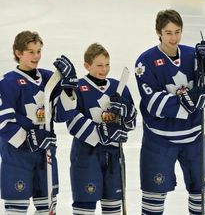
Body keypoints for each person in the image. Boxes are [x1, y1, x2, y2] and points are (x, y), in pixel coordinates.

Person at [134, 9, 205, 214]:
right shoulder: (145, 62)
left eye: (177, 31)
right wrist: (190, 100)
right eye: (168, 32)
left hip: (194, 138)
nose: (174, 37)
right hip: (159, 141)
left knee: (202, 196)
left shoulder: (193, 55)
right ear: (159, 33)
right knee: (153, 201)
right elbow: (153, 103)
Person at [0, 30, 78, 214]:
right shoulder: (7, 82)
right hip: (17, 157)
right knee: (16, 210)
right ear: (18, 53)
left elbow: (61, 115)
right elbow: (3, 122)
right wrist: (29, 138)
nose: (36, 56)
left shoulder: (49, 78)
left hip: (46, 155)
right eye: (31, 52)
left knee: (47, 209)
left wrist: (68, 89)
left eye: (39, 51)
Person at [66, 43, 137, 214]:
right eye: (99, 65)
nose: (104, 69)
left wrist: (126, 113)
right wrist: (102, 132)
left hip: (114, 155)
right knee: (85, 206)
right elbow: (72, 122)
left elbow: (132, 122)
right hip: (86, 156)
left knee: (113, 207)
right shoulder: (78, 88)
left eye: (107, 64)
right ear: (87, 65)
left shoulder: (117, 87)